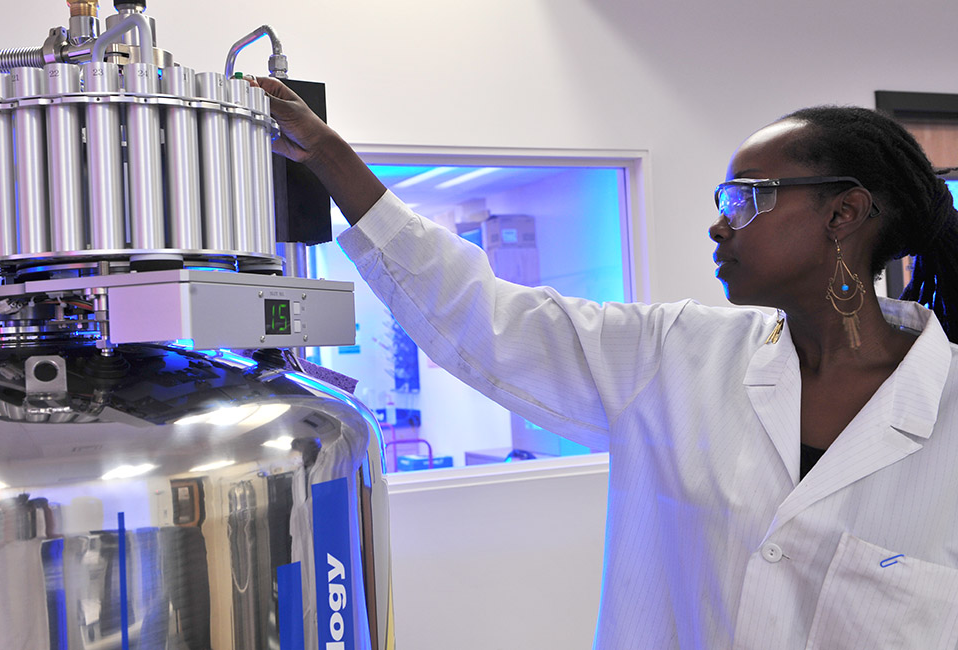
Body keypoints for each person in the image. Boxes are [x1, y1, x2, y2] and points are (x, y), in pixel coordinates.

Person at [250, 76, 958, 649]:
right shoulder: (678, 353)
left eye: (746, 198)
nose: (718, 222)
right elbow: (490, 319)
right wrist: (334, 162)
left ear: (843, 216)